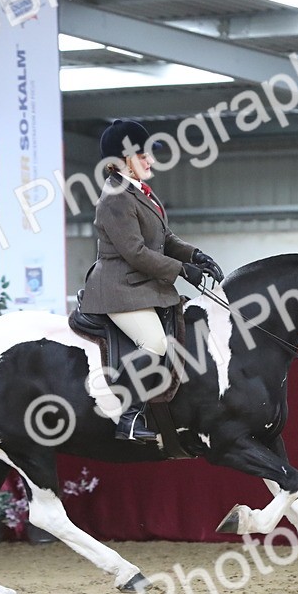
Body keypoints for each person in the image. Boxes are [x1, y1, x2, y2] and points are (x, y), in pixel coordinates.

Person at [81, 119, 223, 442]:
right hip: (119, 289)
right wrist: (182, 271)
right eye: (143, 155)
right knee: (156, 344)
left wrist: (196, 256)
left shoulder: (139, 192)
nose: (151, 161)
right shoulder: (115, 198)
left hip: (143, 286)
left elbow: (165, 238)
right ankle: (129, 417)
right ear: (121, 160)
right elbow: (136, 252)